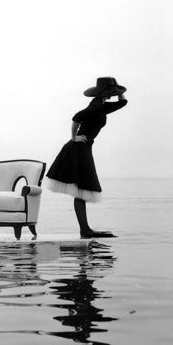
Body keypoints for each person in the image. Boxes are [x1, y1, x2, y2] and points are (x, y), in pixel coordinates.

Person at [45, 77, 128, 238]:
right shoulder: (96, 107)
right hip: (77, 148)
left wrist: (119, 90)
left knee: (81, 190)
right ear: (105, 92)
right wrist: (74, 137)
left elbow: (123, 103)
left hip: (84, 148)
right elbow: (76, 117)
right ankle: (85, 230)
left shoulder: (102, 106)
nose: (112, 93)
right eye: (111, 91)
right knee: (81, 189)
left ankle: (85, 229)